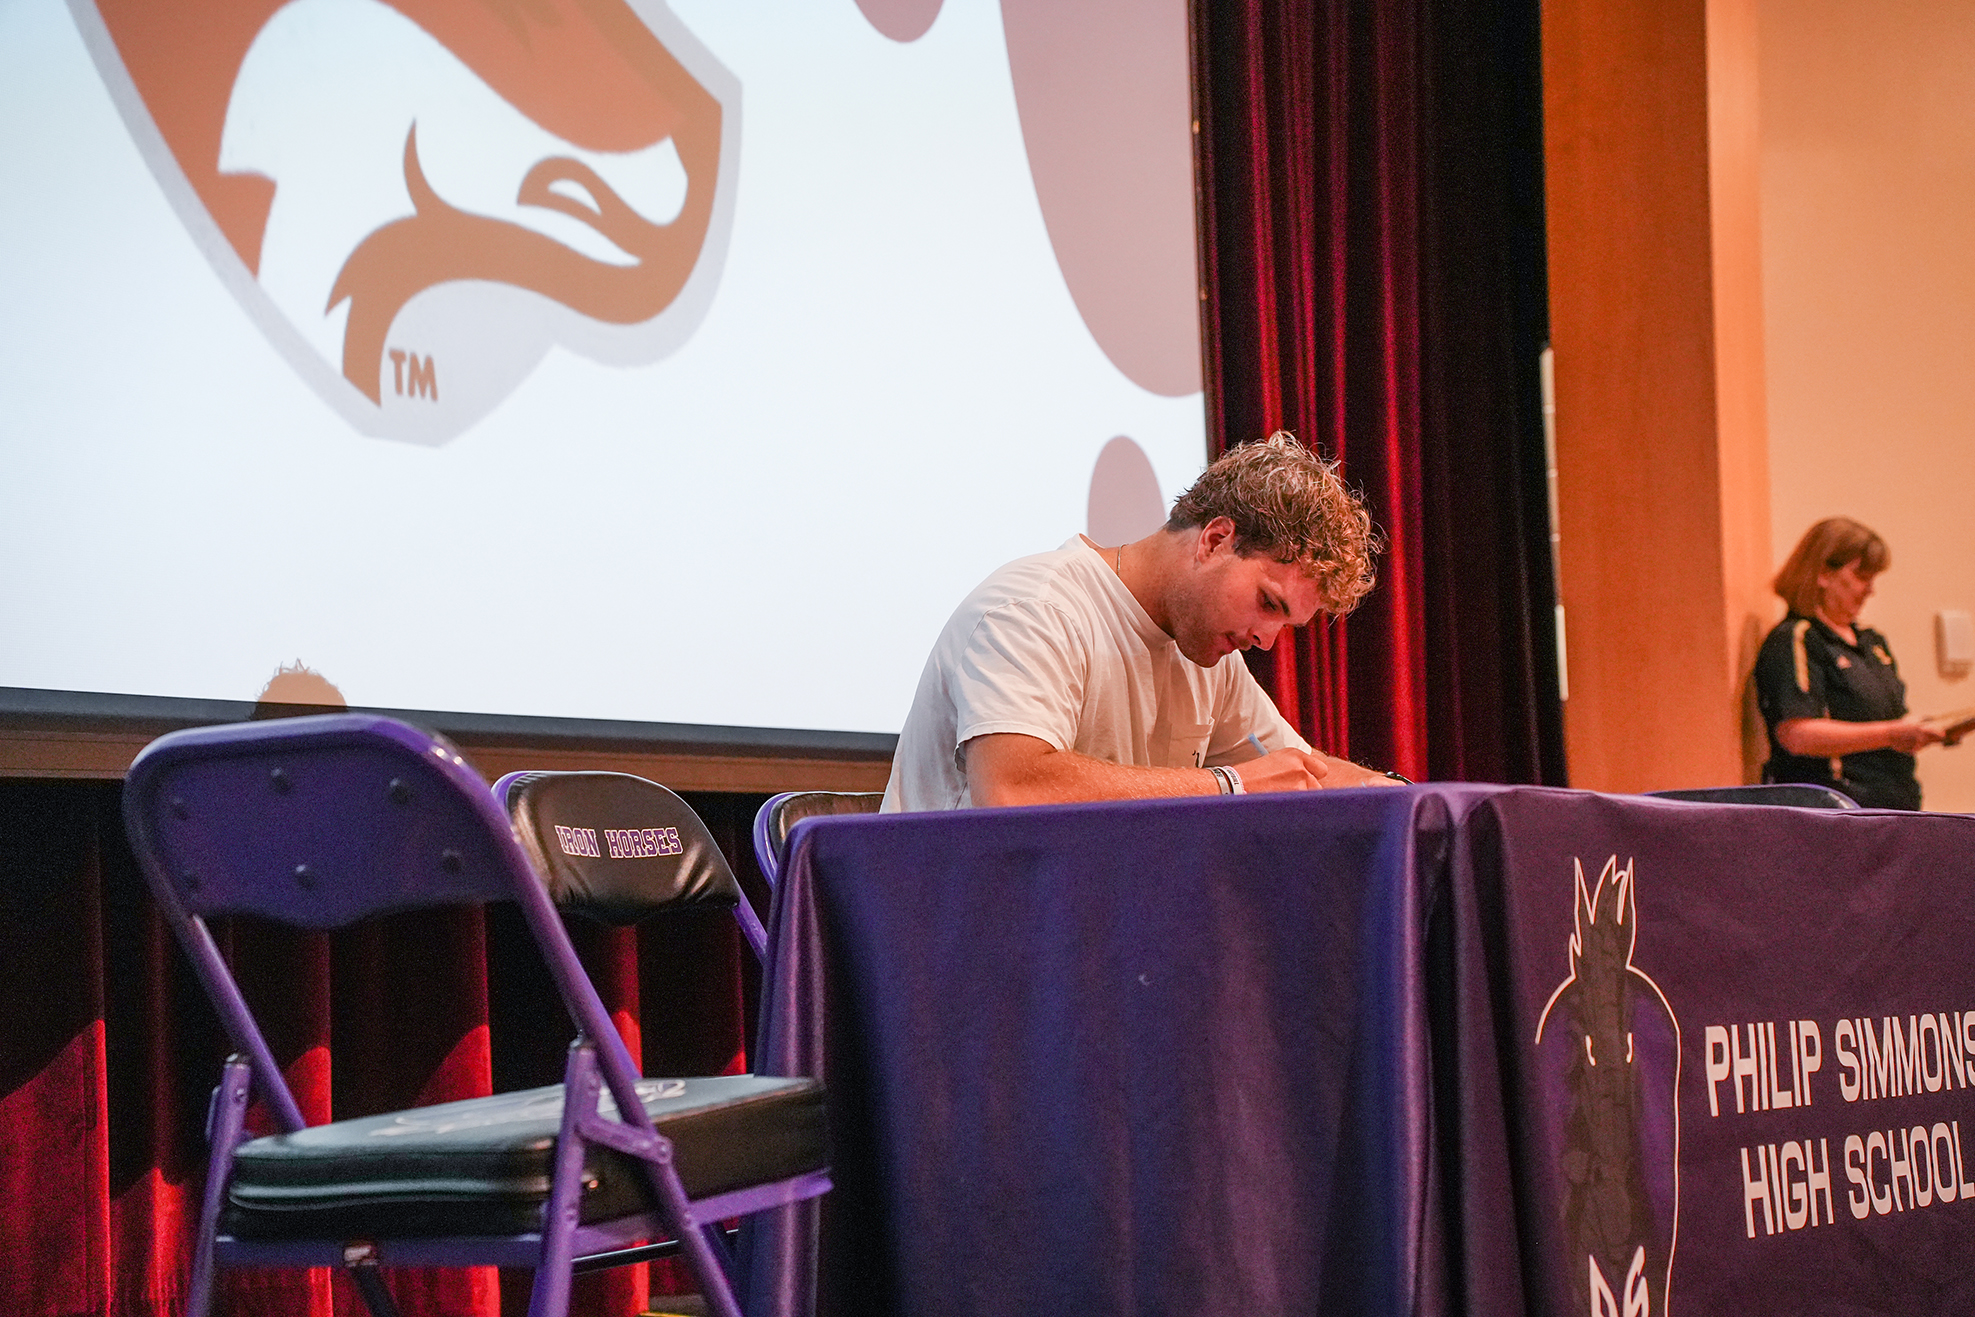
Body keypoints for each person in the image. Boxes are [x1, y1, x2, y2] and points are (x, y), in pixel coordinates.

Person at [882, 432, 1401, 812]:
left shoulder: (1209, 657)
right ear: (1215, 540)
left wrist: (1399, 797)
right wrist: (1231, 785)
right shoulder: (1035, 609)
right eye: (1269, 603)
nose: (1266, 640)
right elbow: (1014, 789)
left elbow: (1300, 774)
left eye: (1286, 626)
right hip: (952, 937)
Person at [1752, 517, 1941, 809]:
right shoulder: (1797, 638)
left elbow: (1889, 721)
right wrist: (1891, 734)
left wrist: (1917, 732)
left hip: (1893, 807)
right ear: (1823, 573)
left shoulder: (1872, 643)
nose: (1870, 590)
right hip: (1836, 813)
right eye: (1861, 577)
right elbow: (1797, 735)